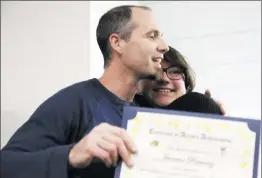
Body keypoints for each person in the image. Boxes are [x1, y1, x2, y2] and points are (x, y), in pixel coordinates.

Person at [1, 5, 169, 178]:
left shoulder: (147, 113)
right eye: (152, 36)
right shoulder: (72, 102)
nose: (165, 47)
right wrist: (72, 155)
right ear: (117, 43)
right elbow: (6, 164)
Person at [136, 46, 226, 115]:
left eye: (174, 71)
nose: (163, 79)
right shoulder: (125, 110)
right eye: (153, 71)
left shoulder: (202, 105)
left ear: (186, 84)